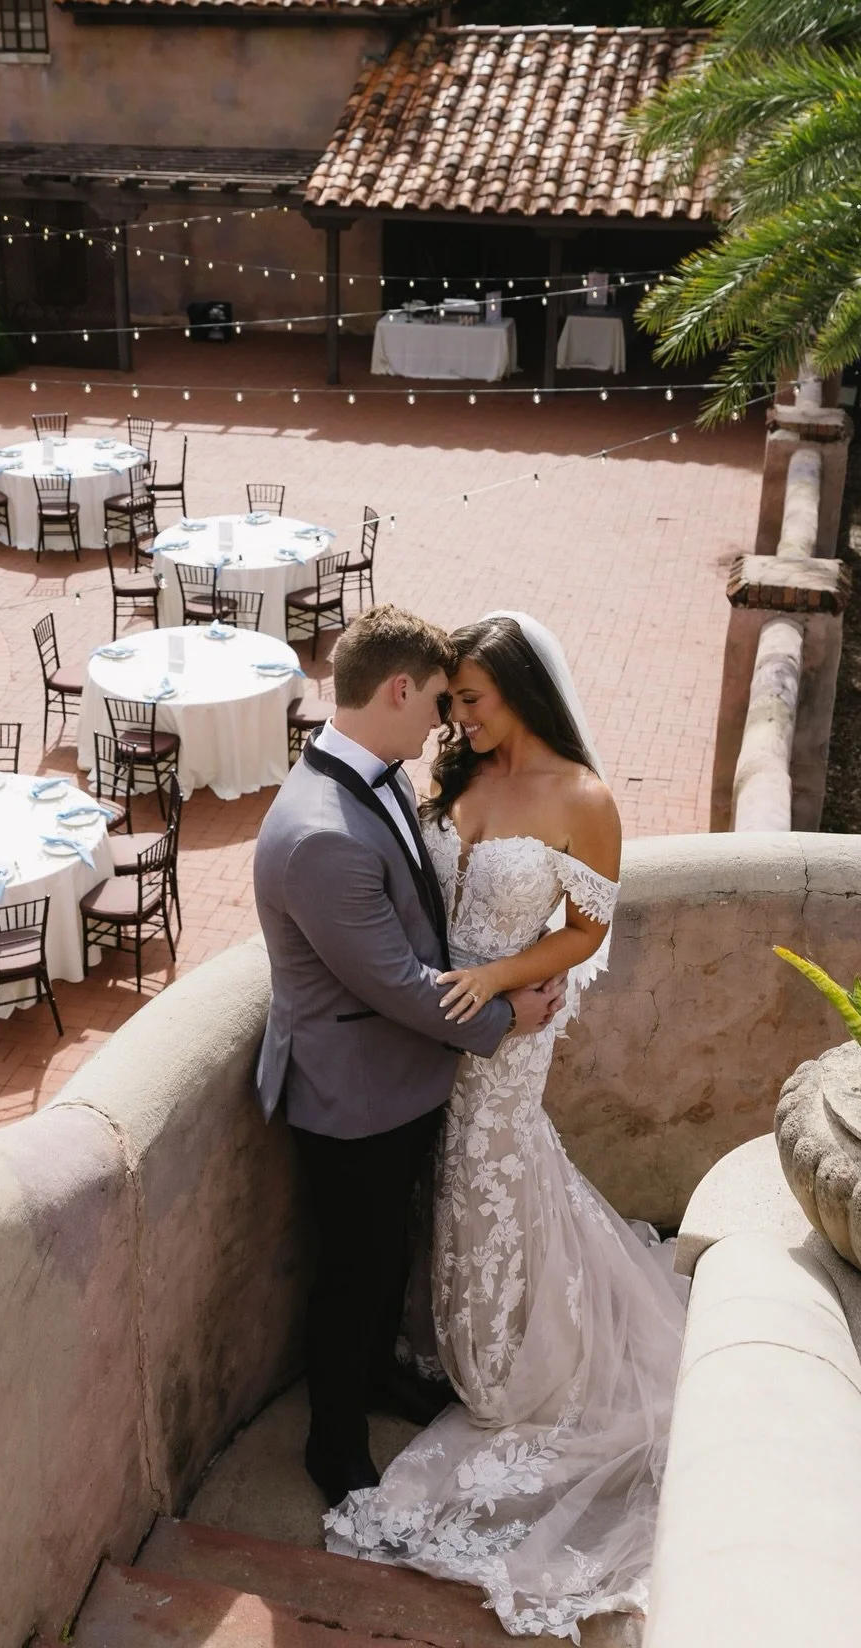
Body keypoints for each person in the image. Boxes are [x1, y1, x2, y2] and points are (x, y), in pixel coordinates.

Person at [323, 611, 688, 1639]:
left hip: (510, 1031)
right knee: (441, 1177)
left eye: (471, 701)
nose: (457, 718)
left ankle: (497, 1354)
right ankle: (436, 1336)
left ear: (521, 690)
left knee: (489, 1172)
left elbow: (588, 927)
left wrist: (499, 980)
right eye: (450, 702)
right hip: (429, 1028)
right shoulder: (455, 776)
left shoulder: (582, 798)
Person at [253, 605, 565, 1510]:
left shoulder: (373, 771)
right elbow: (394, 981)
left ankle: (383, 1379)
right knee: (352, 1273)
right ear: (396, 689)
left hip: (395, 1079)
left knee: (387, 1256)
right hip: (349, 1097)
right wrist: (507, 1014)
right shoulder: (321, 832)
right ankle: (333, 1446)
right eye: (434, 700)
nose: (443, 721)